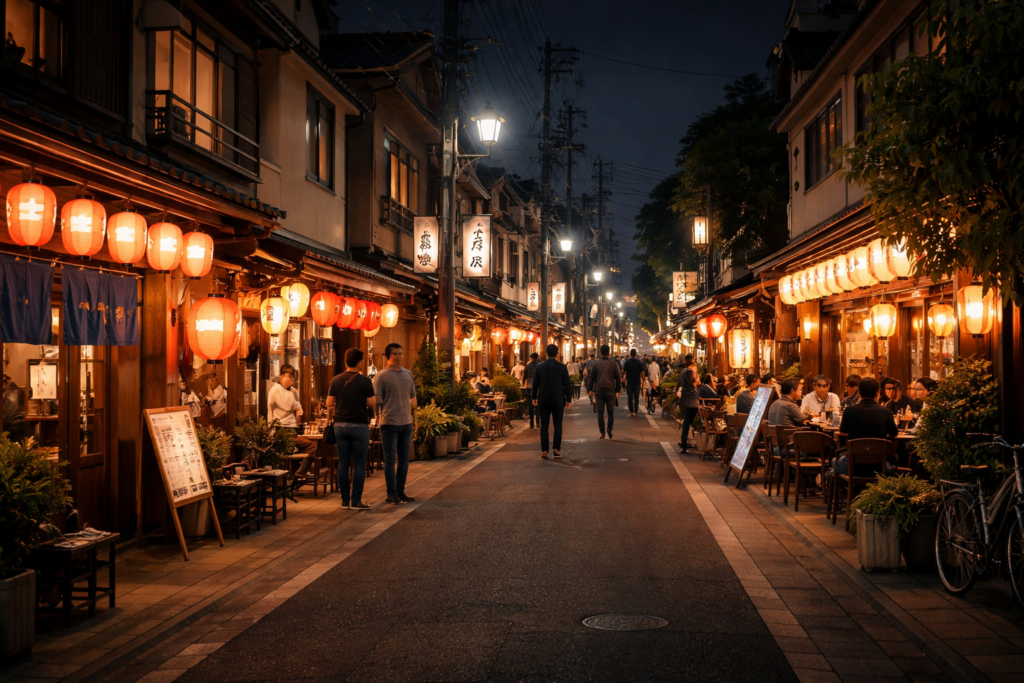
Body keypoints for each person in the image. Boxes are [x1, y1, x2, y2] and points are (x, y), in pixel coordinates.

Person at [325, 348, 376, 510]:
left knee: (343, 463)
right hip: (359, 425)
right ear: (360, 362)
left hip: (340, 425)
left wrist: (329, 420)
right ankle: (356, 501)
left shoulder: (336, 380)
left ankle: (345, 501)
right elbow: (370, 403)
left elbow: (329, 404)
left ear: (346, 361)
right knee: (359, 464)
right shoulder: (365, 381)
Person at [373, 343, 417, 504]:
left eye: (401, 353)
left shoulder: (408, 374)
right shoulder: (381, 376)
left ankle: (401, 491)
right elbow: (377, 401)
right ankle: (391, 493)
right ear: (388, 356)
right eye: (396, 354)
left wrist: (415, 418)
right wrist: (377, 418)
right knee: (390, 459)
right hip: (389, 421)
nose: (399, 356)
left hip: (406, 421)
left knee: (404, 459)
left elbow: (412, 398)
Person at [835, 377, 897, 475]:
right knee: (891, 468)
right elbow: (894, 434)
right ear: (878, 392)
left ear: (859, 393)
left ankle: (847, 488)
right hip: (879, 466)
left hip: (853, 465)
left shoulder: (849, 410)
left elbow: (842, 435)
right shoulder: (886, 411)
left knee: (834, 461)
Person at [531, 344, 572, 459]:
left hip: (543, 399)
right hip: (558, 399)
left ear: (546, 354)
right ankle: (556, 448)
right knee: (558, 425)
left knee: (544, 425)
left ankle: (544, 450)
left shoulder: (540, 367)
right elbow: (566, 385)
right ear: (557, 353)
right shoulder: (562, 367)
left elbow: (535, 383)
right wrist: (568, 399)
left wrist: (534, 397)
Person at [267, 366, 316, 456]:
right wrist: (271, 431)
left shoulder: (293, 391)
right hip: (280, 429)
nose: (290, 379)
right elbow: (270, 410)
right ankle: (298, 468)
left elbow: (298, 407)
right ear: (281, 376)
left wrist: (299, 415)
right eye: (288, 376)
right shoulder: (274, 390)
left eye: (292, 377)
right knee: (310, 446)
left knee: (310, 447)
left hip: (292, 429)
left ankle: (298, 467)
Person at [587, 344, 622, 440]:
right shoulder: (614, 364)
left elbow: (592, 379)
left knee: (600, 413)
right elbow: (618, 378)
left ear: (600, 353)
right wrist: (618, 390)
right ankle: (609, 429)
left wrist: (590, 390)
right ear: (609, 353)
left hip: (599, 391)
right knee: (611, 413)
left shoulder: (595, 365)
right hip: (611, 391)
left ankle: (602, 432)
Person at [677, 368, 700, 453]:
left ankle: (684, 445)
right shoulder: (691, 389)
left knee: (685, 425)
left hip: (688, 407)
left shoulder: (686, 387)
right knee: (686, 425)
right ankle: (684, 446)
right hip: (692, 407)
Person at [622, 349, 645, 417]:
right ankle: (635, 411)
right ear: (636, 354)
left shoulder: (627, 362)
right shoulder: (639, 362)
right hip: (637, 382)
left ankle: (631, 411)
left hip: (629, 382)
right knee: (636, 397)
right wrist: (643, 380)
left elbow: (624, 372)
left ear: (630, 354)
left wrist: (624, 379)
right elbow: (642, 373)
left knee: (630, 397)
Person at [523, 353, 540, 428]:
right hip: (539, 388)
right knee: (537, 406)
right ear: (537, 357)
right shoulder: (540, 365)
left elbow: (524, 377)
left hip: (529, 387)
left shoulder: (528, 366)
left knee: (530, 406)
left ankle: (531, 424)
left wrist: (523, 384)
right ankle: (538, 423)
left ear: (530, 358)